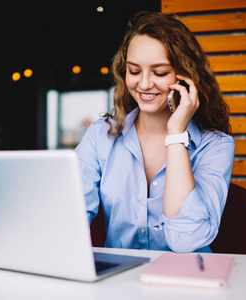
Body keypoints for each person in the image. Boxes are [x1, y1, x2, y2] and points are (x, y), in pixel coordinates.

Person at [75, 11, 234, 253]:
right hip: (120, 282)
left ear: (186, 76)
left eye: (159, 72)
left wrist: (176, 134)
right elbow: (70, 216)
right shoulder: (101, 136)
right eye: (134, 71)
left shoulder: (216, 145)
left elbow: (186, 241)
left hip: (186, 282)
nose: (145, 84)